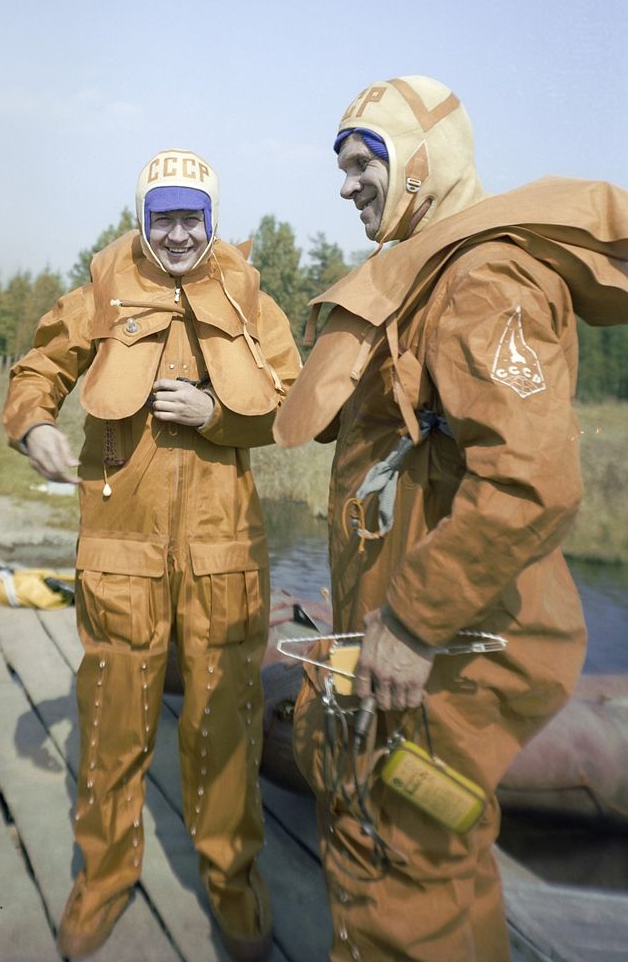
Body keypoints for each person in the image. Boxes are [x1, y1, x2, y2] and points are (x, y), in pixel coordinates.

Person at [273, 76, 628, 961]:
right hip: (426, 641)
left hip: (442, 652)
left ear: (423, 164)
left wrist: (411, 622)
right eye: (342, 165)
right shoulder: (432, 272)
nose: (347, 183)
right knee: (439, 859)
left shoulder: (482, 278)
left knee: (388, 852)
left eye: (364, 161)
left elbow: (530, 483)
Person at [3, 148, 301, 961]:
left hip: (224, 552)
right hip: (118, 547)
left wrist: (217, 412)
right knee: (108, 722)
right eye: (162, 217)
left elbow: (294, 404)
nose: (177, 233)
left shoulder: (249, 298)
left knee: (228, 723)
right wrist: (32, 425)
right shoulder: (98, 288)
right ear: (142, 217)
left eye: (191, 218)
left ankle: (232, 882)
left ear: (212, 219)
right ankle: (100, 881)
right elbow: (38, 368)